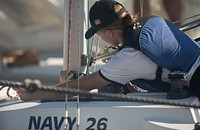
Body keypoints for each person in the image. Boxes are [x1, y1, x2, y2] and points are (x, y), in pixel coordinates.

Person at [15, 0, 200, 101]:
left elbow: (81, 87)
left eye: (99, 34)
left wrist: (34, 93)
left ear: (109, 32)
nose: (101, 38)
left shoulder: (129, 58)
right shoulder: (150, 22)